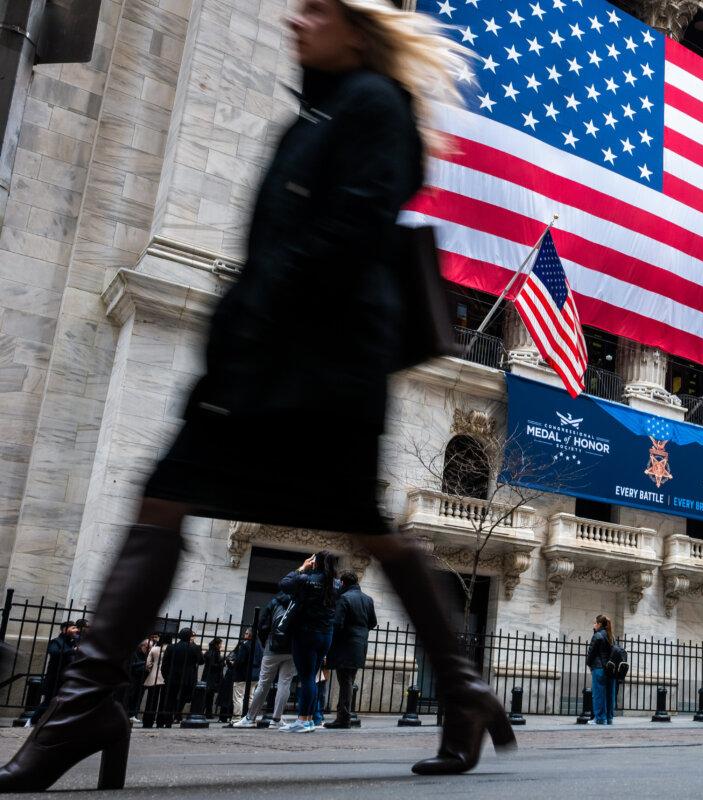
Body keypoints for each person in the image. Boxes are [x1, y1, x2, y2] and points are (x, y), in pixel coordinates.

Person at [0, 0, 510, 789]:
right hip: (275, 353)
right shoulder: (322, 111)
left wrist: (257, 314)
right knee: (185, 501)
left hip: (314, 366)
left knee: (283, 515)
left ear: (356, 29)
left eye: (315, 11)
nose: (293, 21)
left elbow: (348, 233)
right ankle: (86, 707)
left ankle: (82, 709)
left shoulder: (373, 105)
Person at [277, 552, 339, 733]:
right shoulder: (336, 584)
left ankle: (302, 720)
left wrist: (302, 568)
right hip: (326, 635)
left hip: (306, 633)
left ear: (315, 562)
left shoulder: (306, 579)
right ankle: (309, 719)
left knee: (306, 678)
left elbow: (284, 584)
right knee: (312, 677)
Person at [231, 592, 297, 728]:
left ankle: (250, 718)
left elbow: (262, 625)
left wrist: (265, 641)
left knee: (263, 684)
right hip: (292, 648)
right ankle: (277, 719)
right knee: (285, 683)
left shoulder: (275, 602)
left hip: (272, 647)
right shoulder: (298, 602)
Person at [324, 572, 377, 728]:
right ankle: (343, 716)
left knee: (345, 682)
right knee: (348, 681)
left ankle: (343, 718)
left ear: (343, 583)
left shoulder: (344, 598)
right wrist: (360, 633)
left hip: (345, 645)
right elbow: (373, 622)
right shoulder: (368, 599)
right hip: (360, 645)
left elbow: (337, 624)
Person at [29, 622, 80, 725]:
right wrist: (72, 651)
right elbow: (54, 652)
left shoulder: (73, 642)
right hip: (54, 678)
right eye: (73, 628)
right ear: (65, 629)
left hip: (67, 678)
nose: (76, 630)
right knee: (48, 701)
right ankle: (32, 721)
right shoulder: (56, 641)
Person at [160, 629, 202, 726]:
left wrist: (166, 676)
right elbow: (201, 661)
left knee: (170, 698)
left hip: (172, 677)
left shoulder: (171, 647)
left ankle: (168, 721)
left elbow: (165, 664)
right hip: (188, 679)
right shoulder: (194, 648)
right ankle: (177, 715)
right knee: (183, 698)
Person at [227, 627, 263, 721]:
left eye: (246, 633)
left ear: (250, 635)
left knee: (238, 697)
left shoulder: (245, 644)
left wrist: (233, 663)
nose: (245, 635)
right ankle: (249, 718)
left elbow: (240, 660)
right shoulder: (259, 645)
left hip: (242, 675)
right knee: (250, 697)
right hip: (255, 676)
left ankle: (236, 718)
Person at [586, 615, 615, 726]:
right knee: (609, 695)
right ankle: (609, 718)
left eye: (595, 623)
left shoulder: (597, 636)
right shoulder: (611, 636)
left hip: (599, 668)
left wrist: (589, 664)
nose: (594, 625)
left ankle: (599, 719)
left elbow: (591, 653)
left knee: (598, 694)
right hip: (610, 669)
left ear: (599, 624)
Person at [141, 633, 171, 728]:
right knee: (163, 700)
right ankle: (160, 721)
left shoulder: (154, 649)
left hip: (154, 675)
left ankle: (147, 721)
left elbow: (148, 664)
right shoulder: (170, 649)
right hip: (166, 676)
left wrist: (152, 668)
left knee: (151, 699)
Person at [123, 637, 156, 721]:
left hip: (142, 679)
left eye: (150, 648)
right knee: (131, 697)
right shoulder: (134, 653)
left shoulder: (147, 655)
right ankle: (128, 714)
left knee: (138, 697)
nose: (149, 649)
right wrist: (145, 663)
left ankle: (134, 714)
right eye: (147, 647)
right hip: (134, 679)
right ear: (142, 646)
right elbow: (131, 665)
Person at [200, 638, 224, 718]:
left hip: (208, 676)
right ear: (216, 645)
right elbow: (213, 665)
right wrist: (222, 663)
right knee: (208, 696)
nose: (221, 646)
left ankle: (207, 713)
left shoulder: (210, 652)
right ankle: (205, 713)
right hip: (211, 677)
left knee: (208, 696)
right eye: (220, 644)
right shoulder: (214, 652)